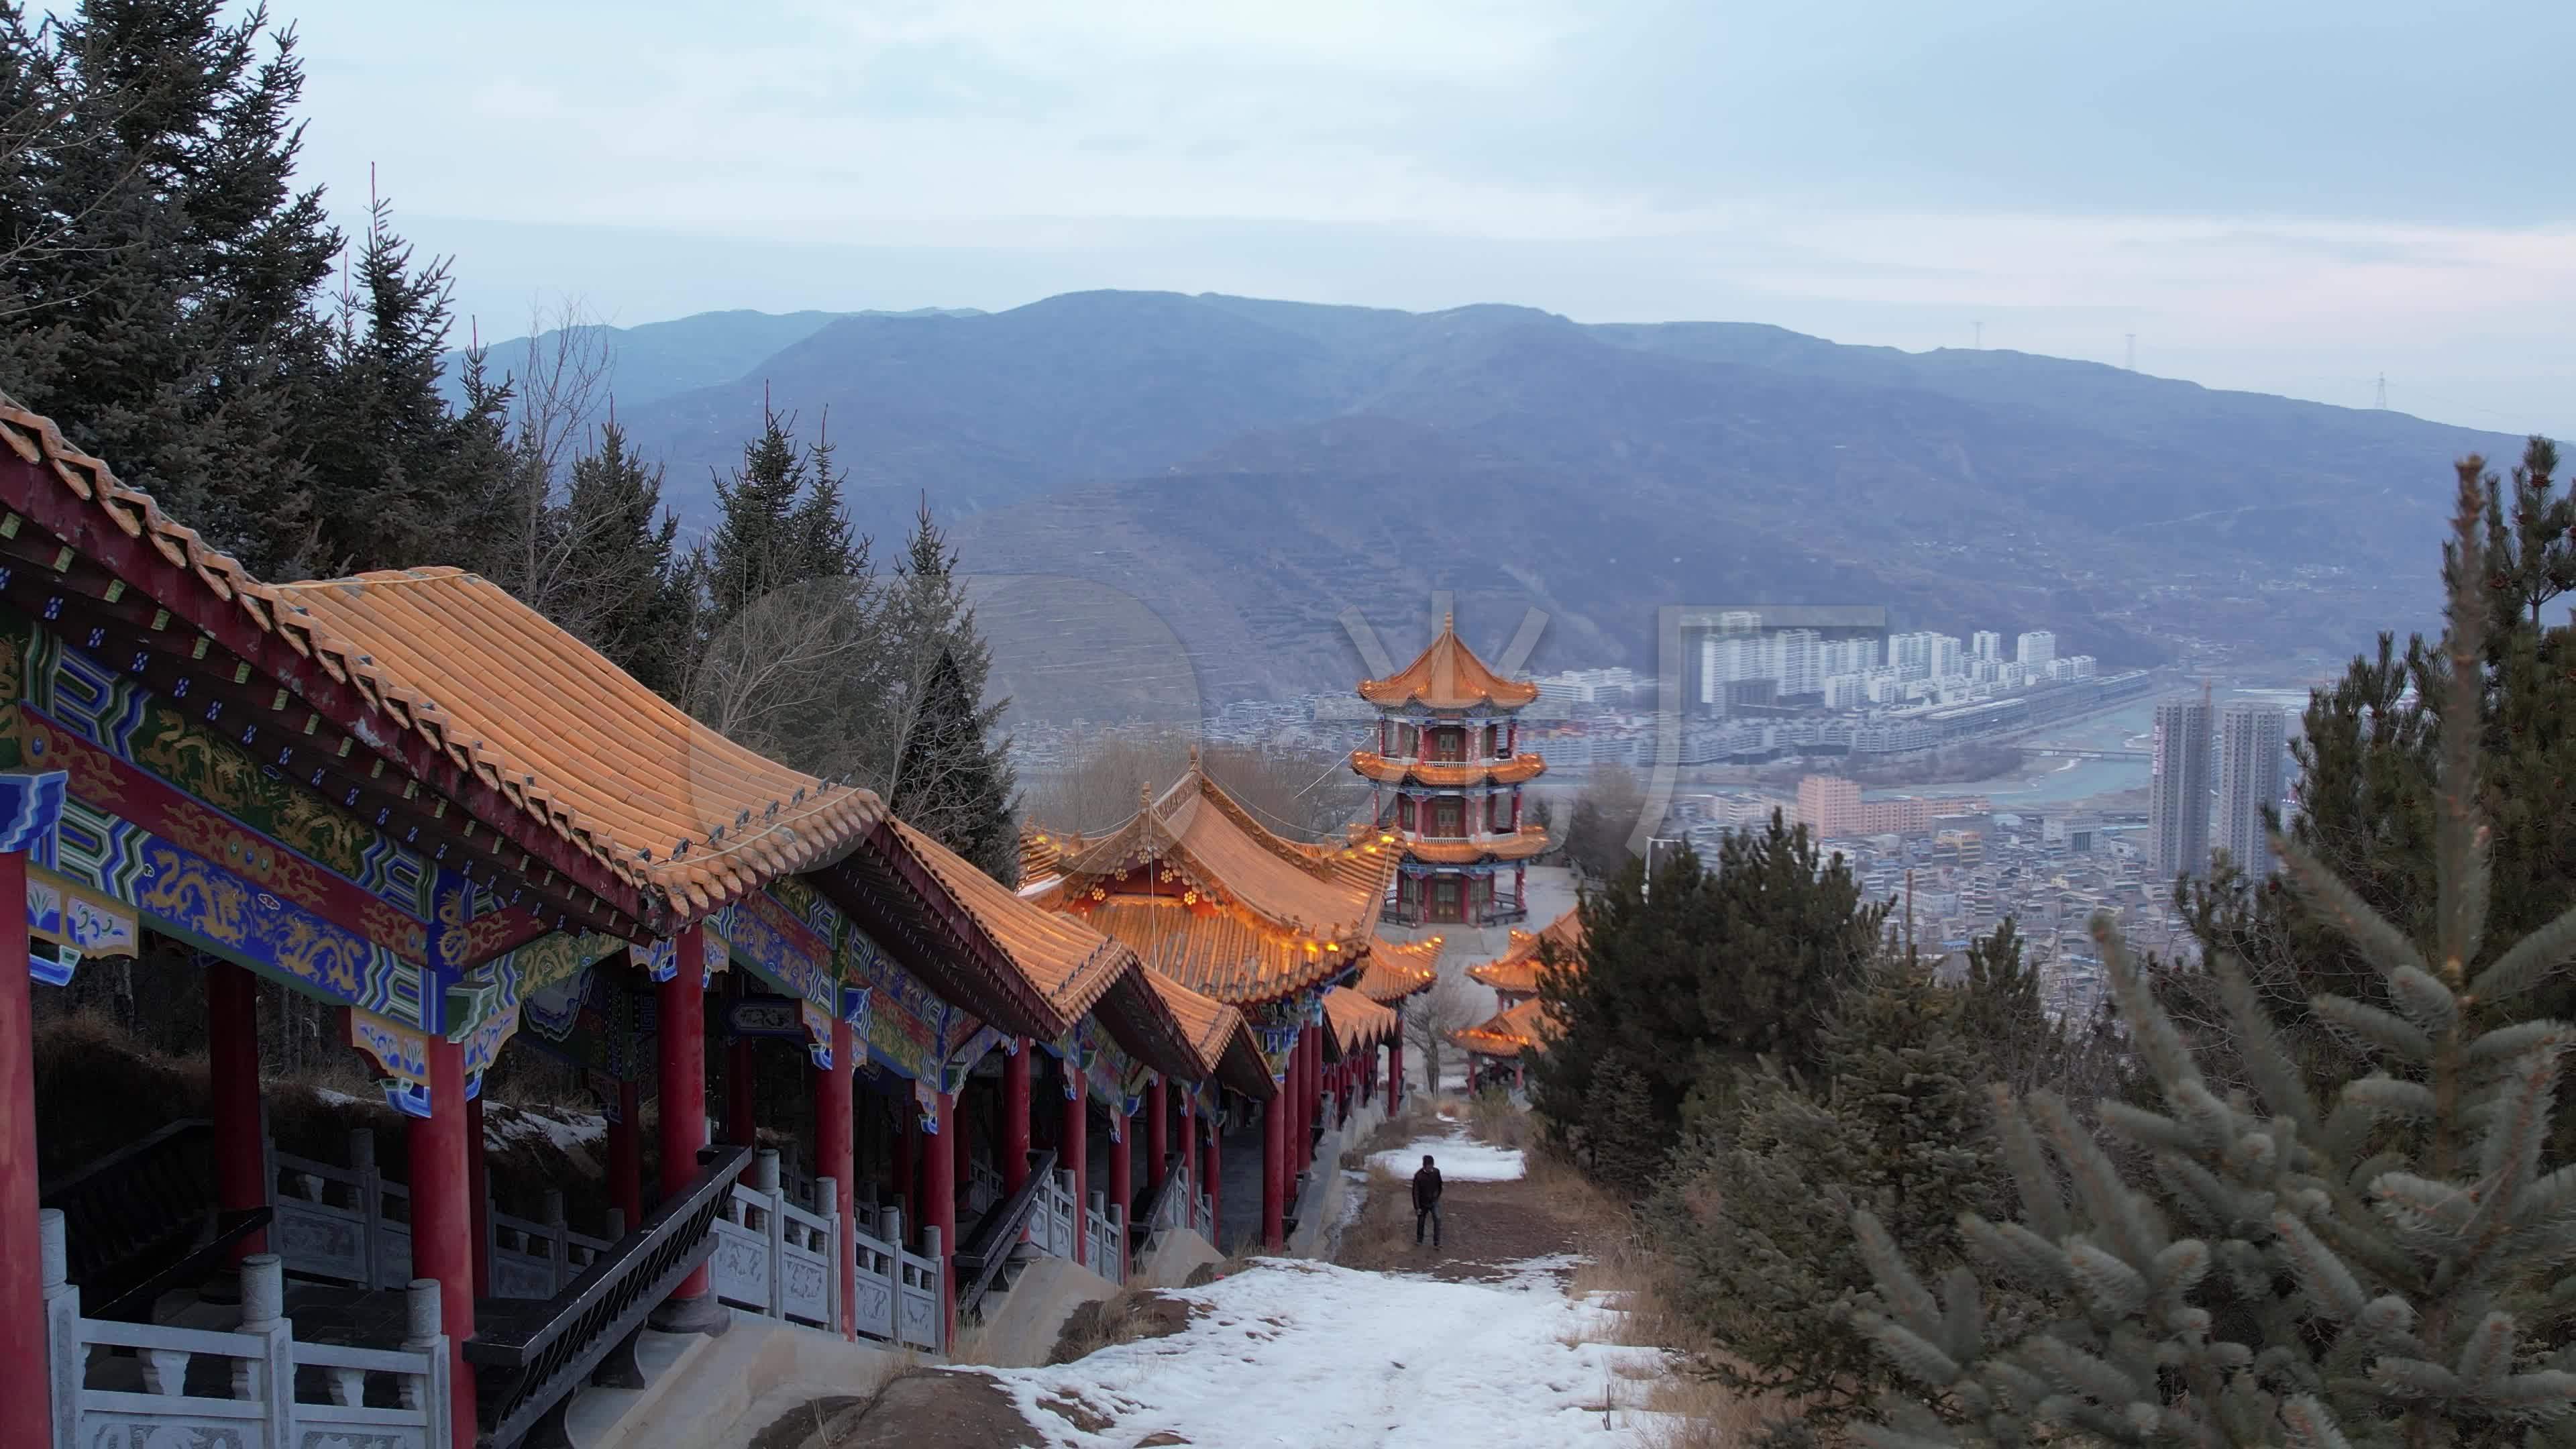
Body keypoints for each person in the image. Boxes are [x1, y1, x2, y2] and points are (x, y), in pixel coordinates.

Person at [1411, 1154, 1444, 1248]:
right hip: (1422, 1203)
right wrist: (1417, 1207)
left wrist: (1437, 1196)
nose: (1431, 1168)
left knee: (1437, 1219)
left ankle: (1437, 1242)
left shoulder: (1436, 1172)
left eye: (1432, 1166)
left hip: (1434, 1201)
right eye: (1429, 1166)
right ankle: (1419, 1240)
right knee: (1421, 1221)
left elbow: (1440, 1186)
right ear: (1424, 1166)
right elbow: (1415, 1193)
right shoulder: (1419, 1176)